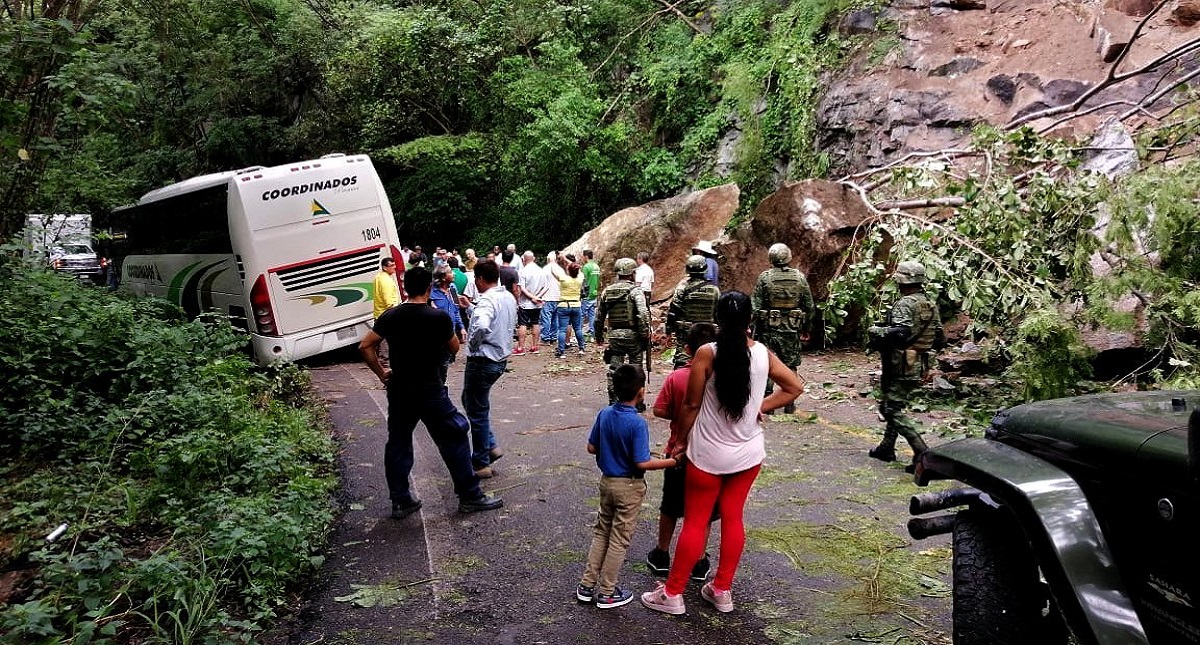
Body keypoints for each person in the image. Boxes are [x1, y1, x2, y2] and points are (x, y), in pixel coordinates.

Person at [641, 291, 804, 615]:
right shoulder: (763, 354)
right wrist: (762, 406)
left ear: (718, 319)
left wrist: (680, 441)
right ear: (751, 320)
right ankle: (722, 590)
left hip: (707, 455)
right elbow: (795, 387)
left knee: (696, 522)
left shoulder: (706, 353)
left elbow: (690, 404)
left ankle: (672, 594)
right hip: (748, 454)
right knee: (733, 518)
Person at [358, 266, 504, 517]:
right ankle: (470, 495)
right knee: (454, 435)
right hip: (430, 388)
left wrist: (382, 373)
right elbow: (455, 347)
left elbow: (365, 345)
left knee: (398, 442)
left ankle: (401, 500)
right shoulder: (437, 318)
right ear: (429, 288)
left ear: (405, 287)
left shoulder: (391, 316)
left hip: (400, 389)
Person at [575, 364, 677, 609]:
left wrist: (609, 449)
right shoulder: (637, 424)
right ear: (641, 392)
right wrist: (672, 461)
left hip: (607, 482)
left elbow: (591, 447)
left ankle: (587, 586)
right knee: (619, 539)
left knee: (602, 532)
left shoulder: (605, 414)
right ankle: (608, 592)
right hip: (629, 486)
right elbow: (641, 461)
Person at [647, 323, 718, 581]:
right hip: (712, 455)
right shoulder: (721, 378)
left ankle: (662, 554)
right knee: (705, 511)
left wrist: (680, 412)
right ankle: (699, 561)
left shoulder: (677, 377)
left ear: (687, 350)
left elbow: (659, 410)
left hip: (678, 453)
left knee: (670, 506)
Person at [867, 261, 943, 473]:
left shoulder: (905, 304)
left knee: (889, 409)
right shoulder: (930, 304)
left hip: (901, 364)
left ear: (901, 281)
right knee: (895, 404)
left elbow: (899, 334)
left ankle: (922, 453)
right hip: (919, 364)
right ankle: (886, 448)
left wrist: (876, 331)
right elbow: (939, 338)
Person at [457, 260, 518, 479]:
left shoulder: (487, 300)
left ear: (481, 279)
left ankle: (481, 461)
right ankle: (490, 445)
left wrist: (473, 345)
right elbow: (493, 318)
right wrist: (471, 307)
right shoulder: (507, 297)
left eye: (476, 279)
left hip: (482, 361)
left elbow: (482, 325)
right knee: (472, 402)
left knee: (476, 410)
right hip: (499, 359)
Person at [751, 243, 815, 414]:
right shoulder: (799, 278)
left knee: (766, 363)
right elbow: (809, 305)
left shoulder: (765, 278)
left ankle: (768, 403)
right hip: (791, 329)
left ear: (771, 258)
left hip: (769, 330)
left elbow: (755, 306)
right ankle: (789, 403)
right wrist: (806, 327)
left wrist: (754, 325)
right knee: (791, 364)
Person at [594, 258, 651, 411]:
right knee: (636, 369)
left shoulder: (608, 291)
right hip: (633, 336)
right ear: (632, 273)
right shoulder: (636, 291)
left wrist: (598, 336)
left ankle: (613, 400)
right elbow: (643, 313)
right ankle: (637, 403)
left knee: (614, 368)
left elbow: (599, 316)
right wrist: (645, 333)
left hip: (615, 336)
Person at [666, 255, 720, 369]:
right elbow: (718, 314)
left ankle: (679, 382)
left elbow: (673, 311)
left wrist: (669, 331)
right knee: (708, 359)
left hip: (686, 331)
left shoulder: (682, 288)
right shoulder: (714, 290)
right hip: (707, 333)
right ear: (704, 269)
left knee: (682, 359)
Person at [430, 264, 466, 384]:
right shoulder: (430, 292)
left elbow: (456, 309)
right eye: (451, 272)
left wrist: (461, 327)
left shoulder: (453, 288)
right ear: (443, 277)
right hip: (435, 337)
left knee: (444, 366)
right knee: (438, 367)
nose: (454, 274)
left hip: (451, 335)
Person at [515, 251, 547, 355]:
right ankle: (535, 346)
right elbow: (546, 287)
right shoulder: (541, 271)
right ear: (534, 258)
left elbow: (522, 288)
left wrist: (532, 297)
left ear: (523, 259)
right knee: (536, 323)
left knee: (522, 324)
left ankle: (520, 347)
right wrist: (537, 297)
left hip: (525, 302)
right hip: (537, 303)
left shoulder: (522, 271)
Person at [372, 257, 401, 368]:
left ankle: (381, 360)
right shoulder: (386, 281)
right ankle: (385, 363)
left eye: (394, 265)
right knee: (386, 341)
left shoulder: (378, 277)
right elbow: (389, 302)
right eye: (391, 266)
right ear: (385, 267)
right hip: (387, 314)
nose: (394, 267)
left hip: (379, 314)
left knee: (381, 339)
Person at [555, 262, 586, 358]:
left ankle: (561, 351)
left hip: (564, 305)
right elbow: (579, 271)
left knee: (562, 330)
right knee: (578, 328)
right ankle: (581, 348)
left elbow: (553, 271)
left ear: (568, 270)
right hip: (576, 305)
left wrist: (555, 261)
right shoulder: (580, 279)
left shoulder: (564, 279)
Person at [539, 251, 562, 345]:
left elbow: (542, 284)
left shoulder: (545, 269)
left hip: (547, 297)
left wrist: (538, 295)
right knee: (555, 318)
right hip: (558, 297)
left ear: (548, 259)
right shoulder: (560, 269)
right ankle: (553, 337)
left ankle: (545, 337)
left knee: (546, 318)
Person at [581, 250, 601, 339]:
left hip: (587, 294)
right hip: (594, 293)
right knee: (592, 314)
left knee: (581, 314)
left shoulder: (586, 267)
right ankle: (592, 333)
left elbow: (583, 280)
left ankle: (579, 332)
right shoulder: (596, 266)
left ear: (586, 256)